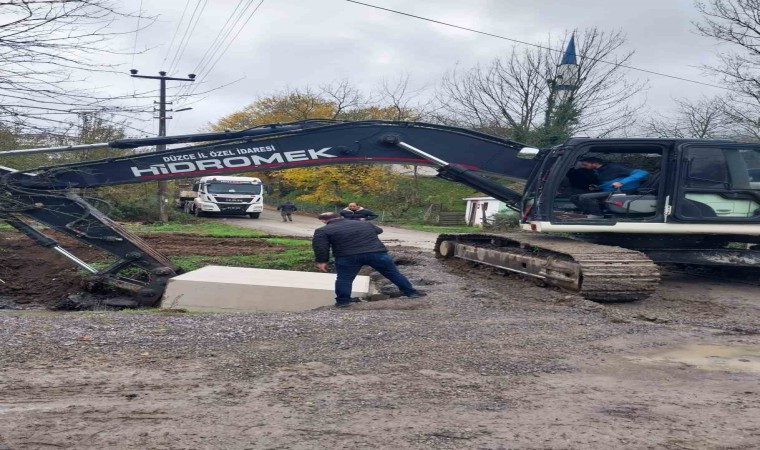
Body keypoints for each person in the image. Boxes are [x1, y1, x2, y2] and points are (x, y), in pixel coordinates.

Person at [312, 212, 426, 307]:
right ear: (341, 217)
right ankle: (411, 293)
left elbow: (321, 247)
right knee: (393, 273)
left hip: (347, 256)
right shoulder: (364, 223)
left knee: (344, 279)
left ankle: (343, 301)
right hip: (376, 253)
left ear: (323, 221)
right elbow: (379, 230)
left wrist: (322, 261)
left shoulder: (322, 231)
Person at [571, 156, 649, 217]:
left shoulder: (614, 168)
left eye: (585, 165)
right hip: (608, 191)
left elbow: (642, 173)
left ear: (594, 163)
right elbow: (609, 183)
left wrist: (622, 182)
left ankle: (597, 215)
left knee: (586, 197)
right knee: (574, 197)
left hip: (621, 191)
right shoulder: (598, 171)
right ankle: (587, 213)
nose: (583, 167)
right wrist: (598, 187)